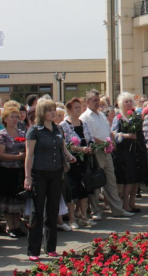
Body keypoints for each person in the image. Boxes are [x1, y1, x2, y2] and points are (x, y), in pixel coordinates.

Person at [24, 98, 76, 262]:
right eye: (49, 110)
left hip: (56, 173)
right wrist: (27, 177)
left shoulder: (58, 128)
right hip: (39, 173)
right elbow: (29, 156)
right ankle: (33, 249)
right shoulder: (34, 130)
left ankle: (51, 247)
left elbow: (62, 147)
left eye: (53, 109)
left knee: (53, 211)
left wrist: (69, 155)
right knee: (37, 212)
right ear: (42, 112)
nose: (53, 113)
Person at [82, 90, 133, 219]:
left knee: (111, 180)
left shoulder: (101, 114)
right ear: (87, 102)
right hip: (96, 151)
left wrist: (112, 142)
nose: (97, 102)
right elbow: (90, 137)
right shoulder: (85, 117)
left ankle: (117, 209)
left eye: (98, 100)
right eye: (94, 100)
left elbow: (109, 131)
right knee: (96, 181)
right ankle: (96, 211)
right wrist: (105, 143)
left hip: (107, 151)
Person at [59, 98, 94, 229]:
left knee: (83, 188)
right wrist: (80, 149)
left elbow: (90, 138)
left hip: (84, 160)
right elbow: (65, 145)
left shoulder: (84, 123)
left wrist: (90, 147)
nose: (78, 109)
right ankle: (72, 219)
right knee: (72, 189)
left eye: (80, 107)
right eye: (75, 107)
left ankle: (84, 217)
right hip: (72, 161)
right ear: (69, 110)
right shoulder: (63, 125)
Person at [0, 105, 27, 237]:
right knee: (7, 198)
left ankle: (17, 225)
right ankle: (10, 226)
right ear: (5, 119)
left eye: (16, 117)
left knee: (17, 198)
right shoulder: (2, 135)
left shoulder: (22, 133)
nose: (14, 119)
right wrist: (17, 157)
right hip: (6, 170)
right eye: (11, 117)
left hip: (19, 170)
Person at [110, 92, 144, 215]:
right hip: (124, 151)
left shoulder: (136, 116)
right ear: (121, 104)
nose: (129, 103)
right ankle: (125, 203)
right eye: (126, 101)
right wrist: (126, 135)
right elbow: (113, 134)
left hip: (136, 150)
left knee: (136, 178)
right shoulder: (118, 118)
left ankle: (132, 202)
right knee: (128, 178)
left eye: (130, 101)